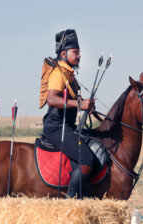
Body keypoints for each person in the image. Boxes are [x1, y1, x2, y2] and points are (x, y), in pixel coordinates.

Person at [42, 29, 97, 198]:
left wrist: (86, 106)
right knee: (87, 160)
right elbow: (51, 99)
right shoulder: (59, 73)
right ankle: (71, 204)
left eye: (79, 52)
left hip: (67, 127)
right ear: (64, 53)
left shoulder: (69, 75)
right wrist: (80, 104)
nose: (79, 56)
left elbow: (72, 104)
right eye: (76, 52)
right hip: (56, 128)